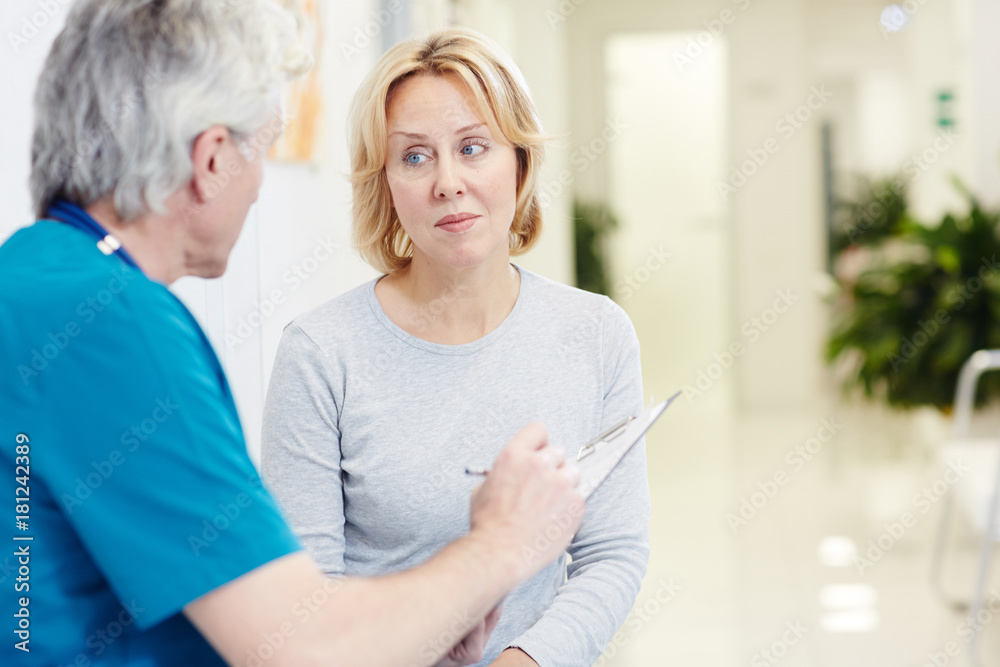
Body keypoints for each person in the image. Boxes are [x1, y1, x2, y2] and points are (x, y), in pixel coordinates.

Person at [0, 2, 583, 665]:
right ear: (213, 158)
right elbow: (297, 646)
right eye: (265, 149)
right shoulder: (114, 325)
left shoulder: (30, 279)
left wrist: (414, 630)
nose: (256, 190)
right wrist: (503, 543)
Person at [261, 27, 651, 667]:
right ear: (384, 182)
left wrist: (521, 661)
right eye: (414, 157)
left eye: (474, 147)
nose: (448, 182)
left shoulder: (597, 334)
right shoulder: (319, 353)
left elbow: (613, 553)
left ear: (519, 162)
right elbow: (306, 604)